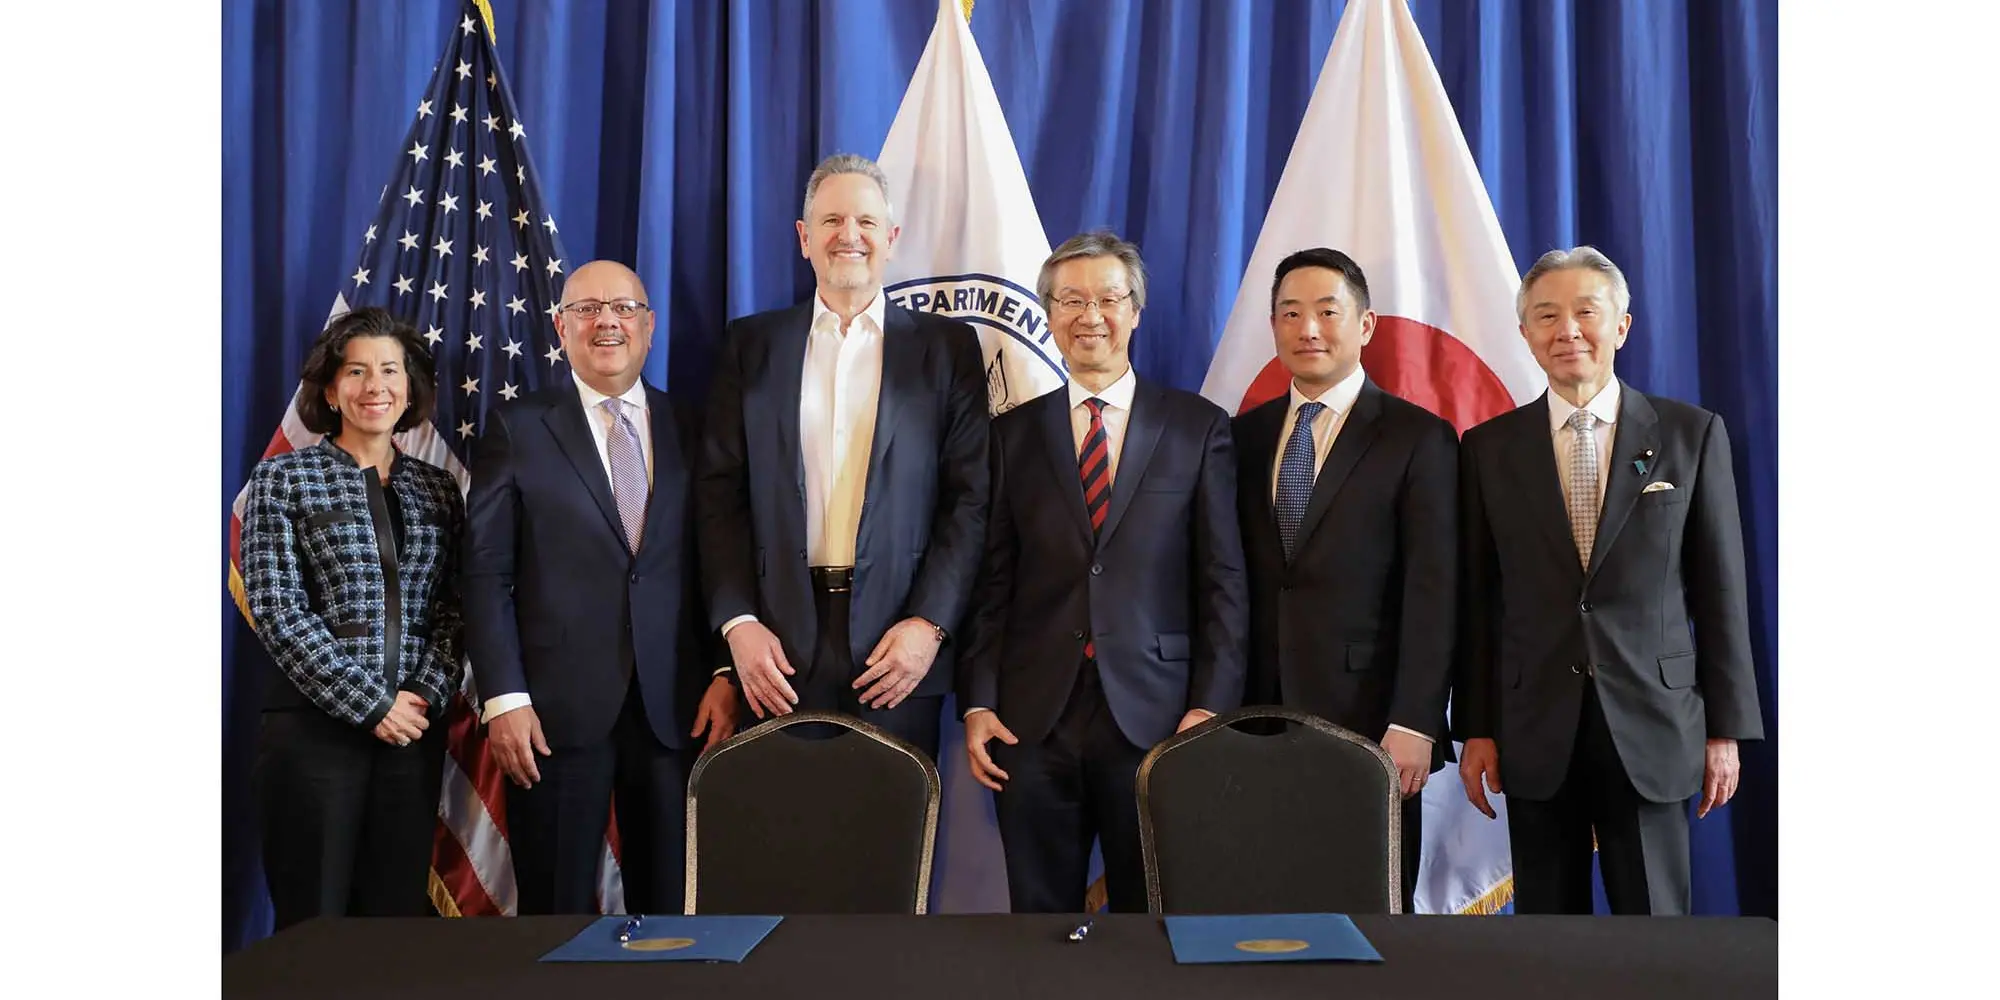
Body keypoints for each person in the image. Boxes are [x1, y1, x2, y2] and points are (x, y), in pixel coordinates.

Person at [1454, 246, 1764, 915]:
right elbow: (1480, 602)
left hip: (1655, 722)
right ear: (1526, 334)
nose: (1568, 330)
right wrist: (1477, 725)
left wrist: (1725, 730)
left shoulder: (1691, 435)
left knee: (1656, 935)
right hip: (1533, 727)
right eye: (1547, 316)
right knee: (1549, 938)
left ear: (1620, 326)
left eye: (1586, 312)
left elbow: (1721, 595)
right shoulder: (1488, 449)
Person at [960, 230, 1248, 914]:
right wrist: (977, 701)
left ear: (1135, 310)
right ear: (1049, 316)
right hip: (1030, 720)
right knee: (1038, 915)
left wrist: (1210, 704)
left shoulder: (1197, 428)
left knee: (1152, 913)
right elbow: (991, 582)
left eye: (1108, 298)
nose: (1091, 315)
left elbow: (1223, 581)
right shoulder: (1009, 436)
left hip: (1159, 714)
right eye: (1070, 300)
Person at [461, 260, 734, 916]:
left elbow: (721, 559)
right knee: (552, 914)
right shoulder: (517, 427)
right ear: (561, 326)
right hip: (552, 717)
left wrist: (725, 671)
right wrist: (503, 699)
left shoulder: (696, 428)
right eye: (587, 309)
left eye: (623, 308)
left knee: (671, 914)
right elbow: (485, 572)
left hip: (678, 713)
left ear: (649, 327)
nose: (606, 320)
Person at [697, 153, 989, 763]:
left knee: (893, 845)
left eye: (865, 221)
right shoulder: (750, 345)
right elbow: (718, 497)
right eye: (830, 220)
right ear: (805, 238)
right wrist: (737, 625)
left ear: (892, 238)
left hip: (898, 647)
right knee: (783, 844)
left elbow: (970, 500)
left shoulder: (947, 349)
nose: (848, 236)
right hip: (774, 647)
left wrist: (929, 624)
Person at [1232, 248, 1458, 914]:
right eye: (1291, 314)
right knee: (1262, 900)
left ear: (1365, 325)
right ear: (1273, 327)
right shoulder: (1240, 438)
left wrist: (1417, 719)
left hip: (1372, 722)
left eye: (1327, 313)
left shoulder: (1419, 438)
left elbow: (1434, 588)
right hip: (1255, 717)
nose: (1308, 330)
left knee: (1372, 908)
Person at [241, 306, 463, 931]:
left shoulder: (438, 489)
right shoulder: (284, 478)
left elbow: (456, 607)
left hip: (411, 737)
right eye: (357, 371)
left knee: (391, 928)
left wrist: (422, 694)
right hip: (312, 738)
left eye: (390, 370)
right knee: (312, 926)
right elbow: (278, 610)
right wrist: (372, 705)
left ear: (411, 386)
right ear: (331, 389)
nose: (375, 387)